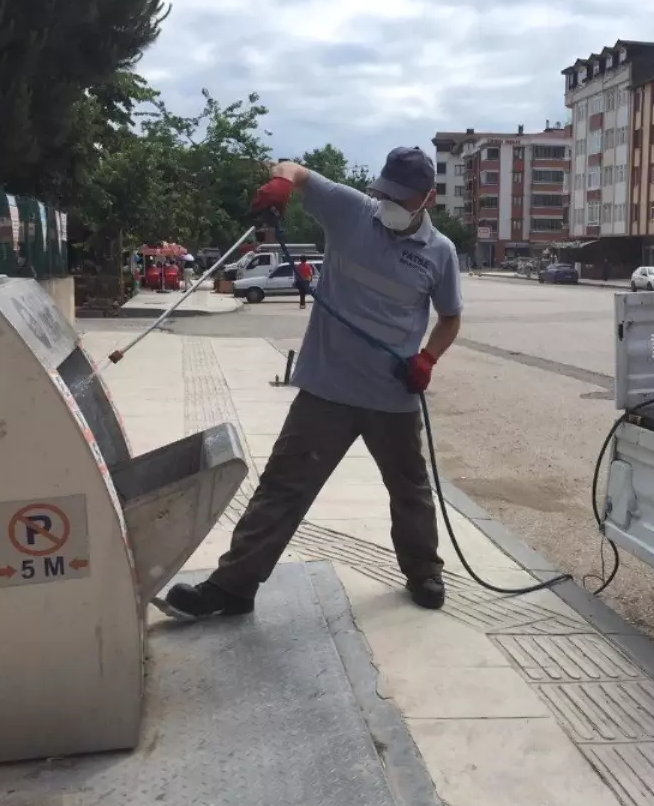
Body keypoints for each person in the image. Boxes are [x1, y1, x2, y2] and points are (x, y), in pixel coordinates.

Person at [166, 146, 463, 616]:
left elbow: (450, 318)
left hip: (393, 395)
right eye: (384, 192)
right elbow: (294, 169)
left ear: (426, 199)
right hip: (327, 389)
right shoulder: (350, 211)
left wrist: (427, 358)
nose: (387, 202)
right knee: (284, 487)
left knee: (411, 491)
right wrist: (280, 184)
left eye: (400, 198)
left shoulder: (440, 254)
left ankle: (423, 571)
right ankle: (233, 587)